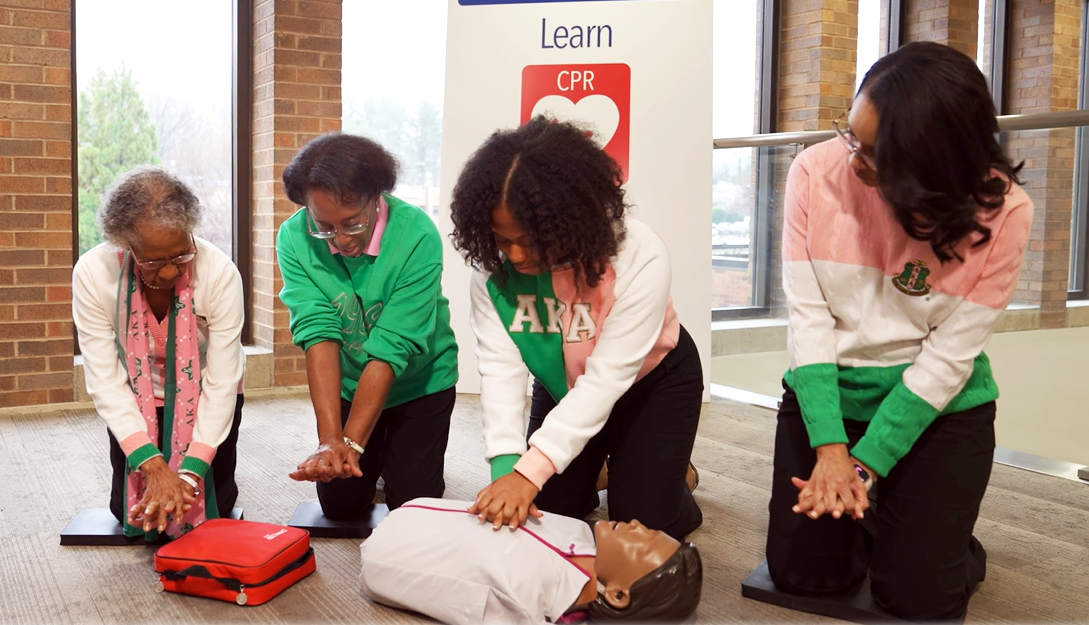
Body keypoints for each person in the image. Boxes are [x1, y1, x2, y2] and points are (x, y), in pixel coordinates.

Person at [766, 41, 1034, 621]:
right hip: (833, 390)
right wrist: (832, 451)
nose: (851, 156)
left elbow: (947, 359)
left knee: (916, 596)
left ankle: (939, 537)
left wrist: (865, 465)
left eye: (871, 152)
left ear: (930, 164)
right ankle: (889, 521)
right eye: (850, 134)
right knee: (805, 576)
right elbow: (809, 323)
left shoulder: (1005, 213)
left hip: (938, 407)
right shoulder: (814, 172)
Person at [449, 117, 704, 540]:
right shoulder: (492, 271)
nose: (513, 255)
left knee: (636, 527)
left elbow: (605, 384)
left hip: (649, 384)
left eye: (528, 240)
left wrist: (530, 474)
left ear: (569, 219)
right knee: (547, 515)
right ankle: (598, 469)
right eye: (501, 238)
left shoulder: (639, 254)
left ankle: (674, 477)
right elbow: (501, 370)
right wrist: (506, 471)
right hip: (561, 385)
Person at [277, 132, 459, 517]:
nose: (341, 239)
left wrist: (353, 444)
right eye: (324, 225)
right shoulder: (294, 238)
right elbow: (318, 332)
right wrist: (331, 441)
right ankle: (373, 456)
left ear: (376, 198)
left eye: (352, 222)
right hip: (350, 381)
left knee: (412, 507)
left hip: (420, 384)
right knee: (340, 506)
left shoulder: (417, 234)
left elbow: (393, 345)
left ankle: (391, 458)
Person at [72, 167, 246, 539]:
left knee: (216, 507)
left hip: (203, 395)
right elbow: (105, 377)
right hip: (136, 397)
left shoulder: (219, 273)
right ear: (124, 244)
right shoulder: (93, 272)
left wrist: (189, 471)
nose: (169, 272)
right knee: (128, 513)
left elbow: (221, 380)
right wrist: (152, 465)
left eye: (180, 256)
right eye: (152, 261)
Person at [359, 498, 702, 624]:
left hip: (387, 556)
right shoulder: (577, 531)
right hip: (414, 512)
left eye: (643, 542)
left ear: (617, 594)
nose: (638, 525)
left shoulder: (527, 600)